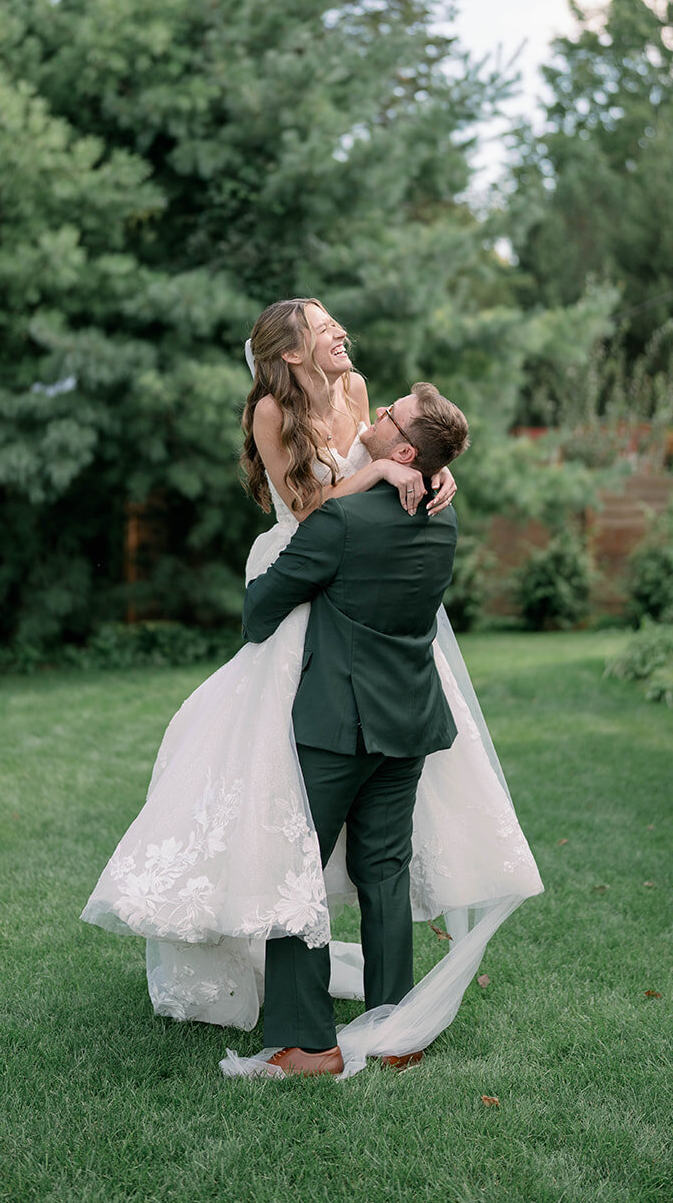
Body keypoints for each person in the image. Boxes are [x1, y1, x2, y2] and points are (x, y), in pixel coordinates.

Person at [81, 298, 542, 1078]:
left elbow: (393, 447)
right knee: (378, 858)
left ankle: (305, 1042)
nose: (338, 331)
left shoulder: (358, 391)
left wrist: (426, 467)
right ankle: (397, 1029)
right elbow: (305, 505)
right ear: (290, 354)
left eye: (334, 323)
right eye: (320, 325)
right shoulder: (273, 410)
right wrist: (387, 470)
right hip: (329, 576)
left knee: (291, 842)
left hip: (333, 604)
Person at [243, 381, 471, 1076]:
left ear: (402, 447)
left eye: (390, 414)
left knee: (297, 872)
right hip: (407, 719)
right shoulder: (443, 519)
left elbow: (260, 610)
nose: (375, 414)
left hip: (335, 726)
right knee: (383, 872)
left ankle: (307, 1044)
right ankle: (398, 1032)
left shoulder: (342, 523)